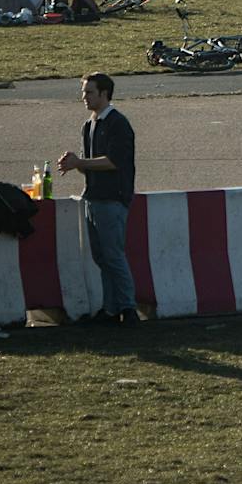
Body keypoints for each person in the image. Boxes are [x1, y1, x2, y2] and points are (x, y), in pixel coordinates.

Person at [59, 74, 138, 324]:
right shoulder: (88, 125)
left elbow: (113, 161)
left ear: (104, 94)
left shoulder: (118, 124)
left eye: (89, 92)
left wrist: (80, 162)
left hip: (112, 199)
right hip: (93, 198)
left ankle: (127, 308)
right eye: (84, 92)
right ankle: (111, 308)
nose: (84, 97)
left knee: (113, 256)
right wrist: (75, 163)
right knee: (101, 257)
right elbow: (89, 166)